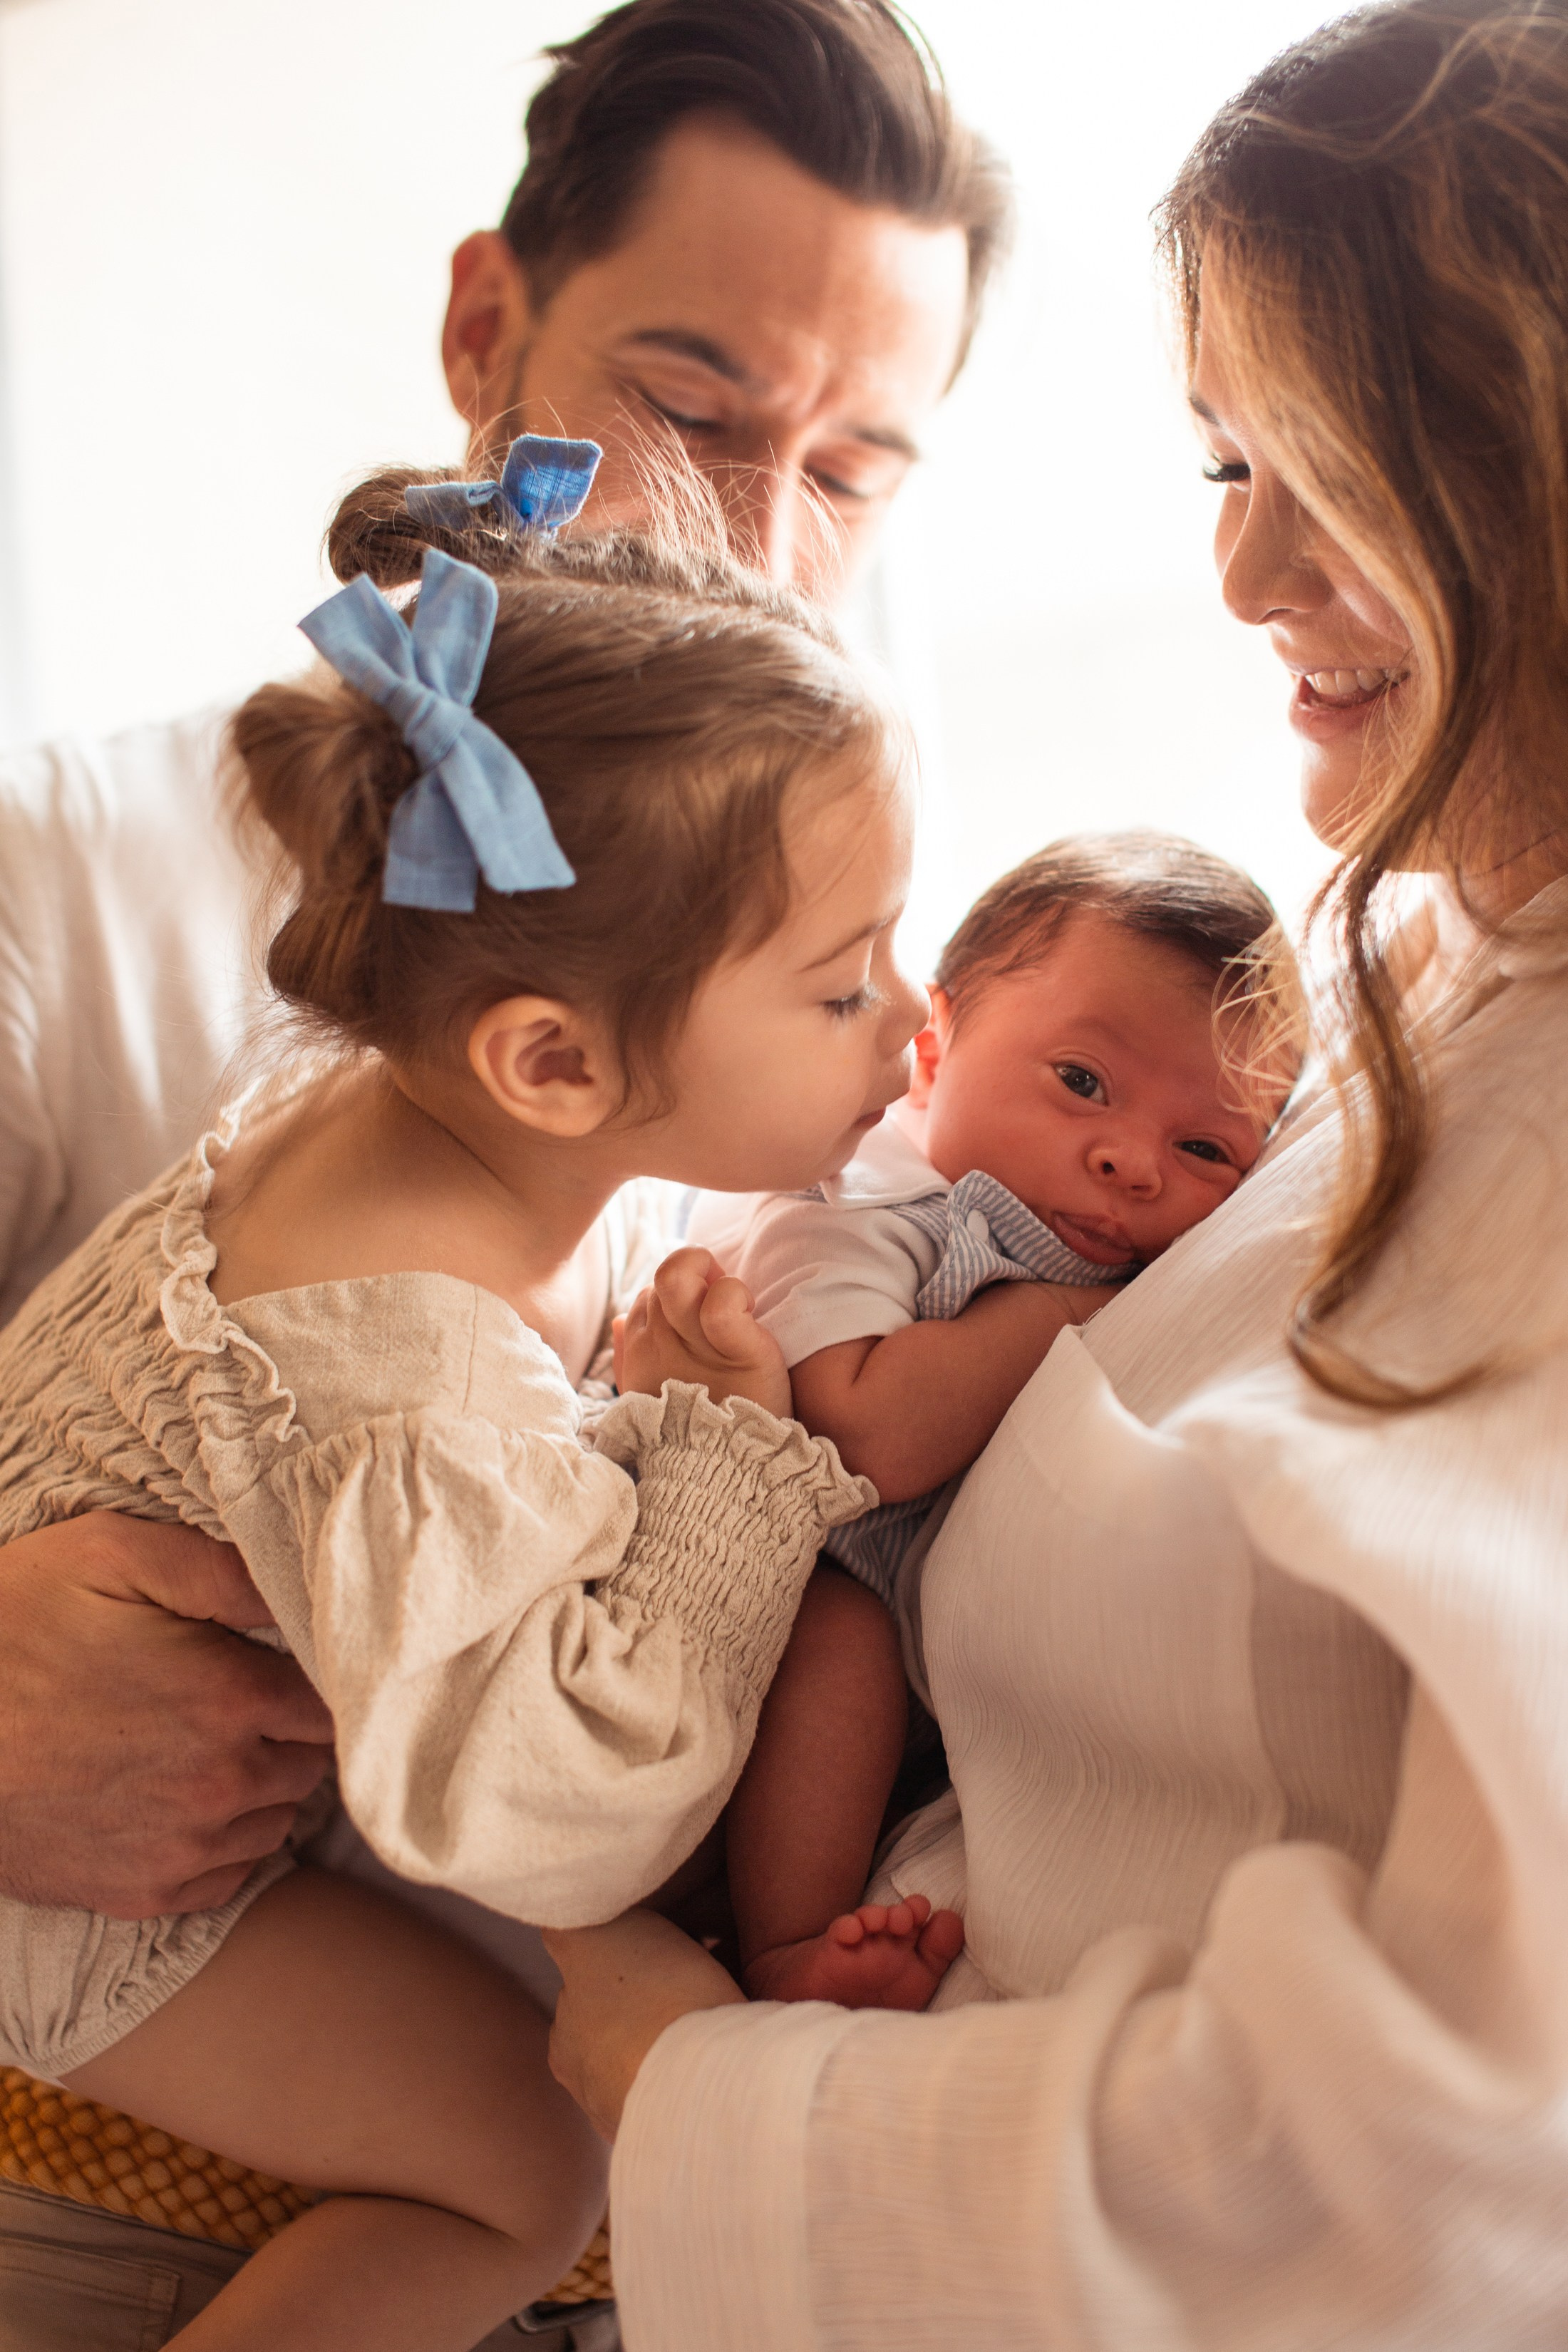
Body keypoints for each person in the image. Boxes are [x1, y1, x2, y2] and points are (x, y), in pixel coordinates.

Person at [542, 5, 1568, 2342]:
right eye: (1225, 461)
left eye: (1341, 462)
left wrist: (689, 2084)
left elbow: (1437, 2176)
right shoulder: (1404, 970)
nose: (1241, 575)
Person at [0, 0, 1009, 1925]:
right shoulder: (50, 897)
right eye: (695, 419)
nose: (766, 548)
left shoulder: (867, 996)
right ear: (484, 340)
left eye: (853, 474)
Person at [0, 441, 929, 2346]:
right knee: (529, 2161)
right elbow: (548, 1820)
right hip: (87, 1872)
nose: (916, 1028)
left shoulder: (451, 1130)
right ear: (556, 1061)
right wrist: (727, 1470)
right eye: (846, 987)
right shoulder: (403, 1373)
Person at [679, 833, 1299, 2006]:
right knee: (845, 1633)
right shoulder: (860, 1199)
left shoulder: (1140, 1265)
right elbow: (865, 1435)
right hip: (758, 1577)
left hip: (905, 1656)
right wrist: (1057, 1314)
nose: (1127, 1161)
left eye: (1206, 1147)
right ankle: (783, 1951)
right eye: (1081, 1083)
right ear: (931, 1051)